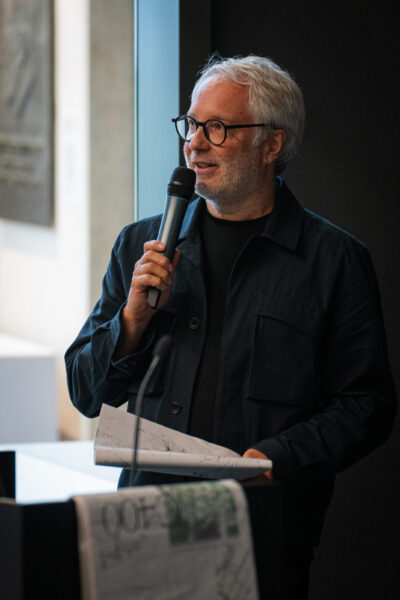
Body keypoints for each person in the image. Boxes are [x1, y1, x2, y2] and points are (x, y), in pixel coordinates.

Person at [65, 55, 396, 598]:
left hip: (260, 532)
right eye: (191, 124)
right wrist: (132, 320)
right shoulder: (140, 246)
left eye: (217, 128)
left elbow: (367, 405)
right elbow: (84, 391)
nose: (194, 143)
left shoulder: (334, 261)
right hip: (145, 527)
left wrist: (278, 458)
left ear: (271, 144)